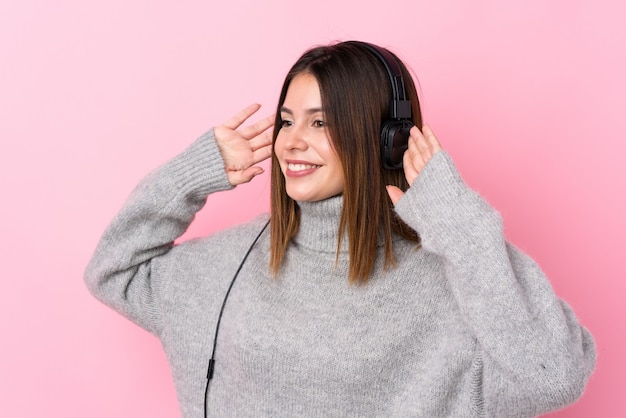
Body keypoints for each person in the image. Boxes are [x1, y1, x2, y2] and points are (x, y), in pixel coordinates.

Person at [85, 41, 596, 417]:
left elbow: (554, 374)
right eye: (287, 121)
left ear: (387, 141)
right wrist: (188, 176)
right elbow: (115, 270)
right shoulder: (229, 264)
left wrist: (457, 220)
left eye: (321, 123)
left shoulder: (449, 283)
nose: (291, 142)